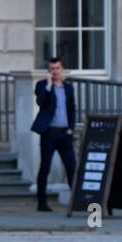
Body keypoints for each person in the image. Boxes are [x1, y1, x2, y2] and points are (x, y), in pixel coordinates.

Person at [30, 56, 78, 211]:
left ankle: (76, 201)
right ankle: (42, 203)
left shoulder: (68, 87)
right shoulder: (42, 85)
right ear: (48, 71)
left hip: (65, 133)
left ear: (62, 69)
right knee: (45, 167)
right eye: (52, 69)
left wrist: (71, 128)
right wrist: (49, 85)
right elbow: (41, 102)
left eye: (57, 68)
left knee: (72, 167)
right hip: (49, 132)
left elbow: (72, 109)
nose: (55, 71)